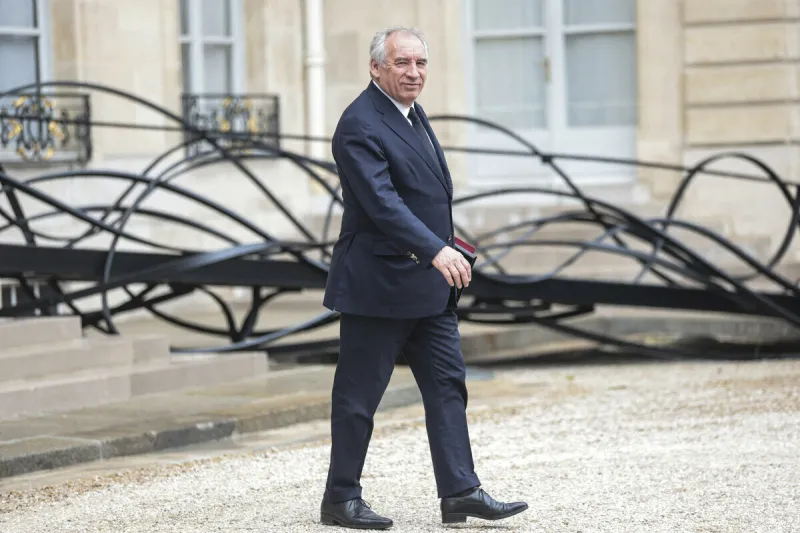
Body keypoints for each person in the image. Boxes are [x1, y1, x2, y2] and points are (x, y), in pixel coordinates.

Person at [319, 26, 528, 529]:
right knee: (358, 398)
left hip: (427, 288)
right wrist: (436, 249)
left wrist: (449, 248)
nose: (413, 73)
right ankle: (340, 499)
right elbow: (383, 205)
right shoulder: (358, 124)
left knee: (448, 386)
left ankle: (460, 491)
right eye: (401, 63)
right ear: (376, 68)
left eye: (420, 64)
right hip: (378, 287)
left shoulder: (410, 114)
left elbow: (427, 195)